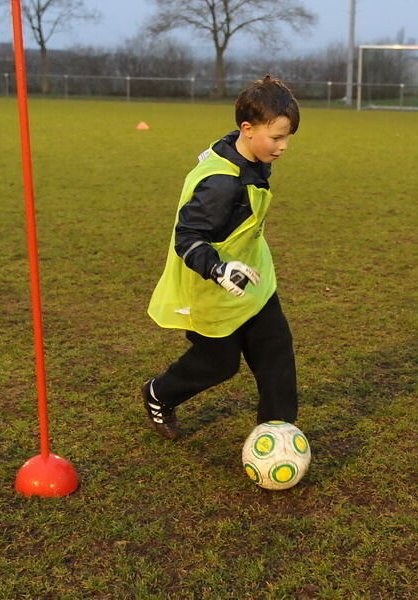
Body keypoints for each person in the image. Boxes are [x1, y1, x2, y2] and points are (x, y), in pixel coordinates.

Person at [142, 75, 300, 440]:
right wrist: (218, 268)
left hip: (254, 278)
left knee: (276, 352)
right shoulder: (220, 184)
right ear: (247, 129)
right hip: (212, 288)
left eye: (287, 137)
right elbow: (188, 237)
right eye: (276, 137)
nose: (284, 146)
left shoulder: (245, 151)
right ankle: (159, 393)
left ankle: (278, 432)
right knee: (218, 364)